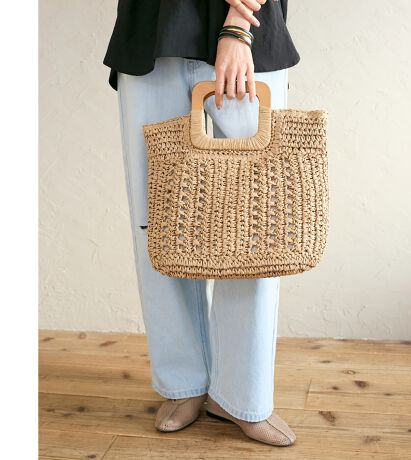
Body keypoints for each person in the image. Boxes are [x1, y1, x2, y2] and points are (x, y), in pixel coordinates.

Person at [103, 0, 299, 447]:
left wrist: (238, 27)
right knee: (159, 224)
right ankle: (183, 384)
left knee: (255, 231)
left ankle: (242, 396)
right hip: (153, 29)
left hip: (249, 31)